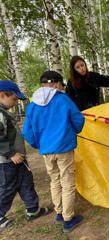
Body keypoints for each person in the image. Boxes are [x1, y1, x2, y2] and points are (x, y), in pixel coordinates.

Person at [22, 71, 85, 233]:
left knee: (55, 181)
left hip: (46, 151)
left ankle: (59, 213)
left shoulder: (32, 105)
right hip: (64, 149)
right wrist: (72, 132)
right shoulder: (63, 99)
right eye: (60, 85)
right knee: (67, 182)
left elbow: (27, 132)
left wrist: (39, 145)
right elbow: (78, 119)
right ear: (57, 84)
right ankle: (68, 219)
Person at [0, 80, 52, 231]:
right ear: (2, 95)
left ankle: (32, 209)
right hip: (6, 161)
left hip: (18, 159)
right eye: (14, 99)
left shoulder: (5, 112)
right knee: (8, 187)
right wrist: (11, 154)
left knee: (26, 182)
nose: (16, 103)